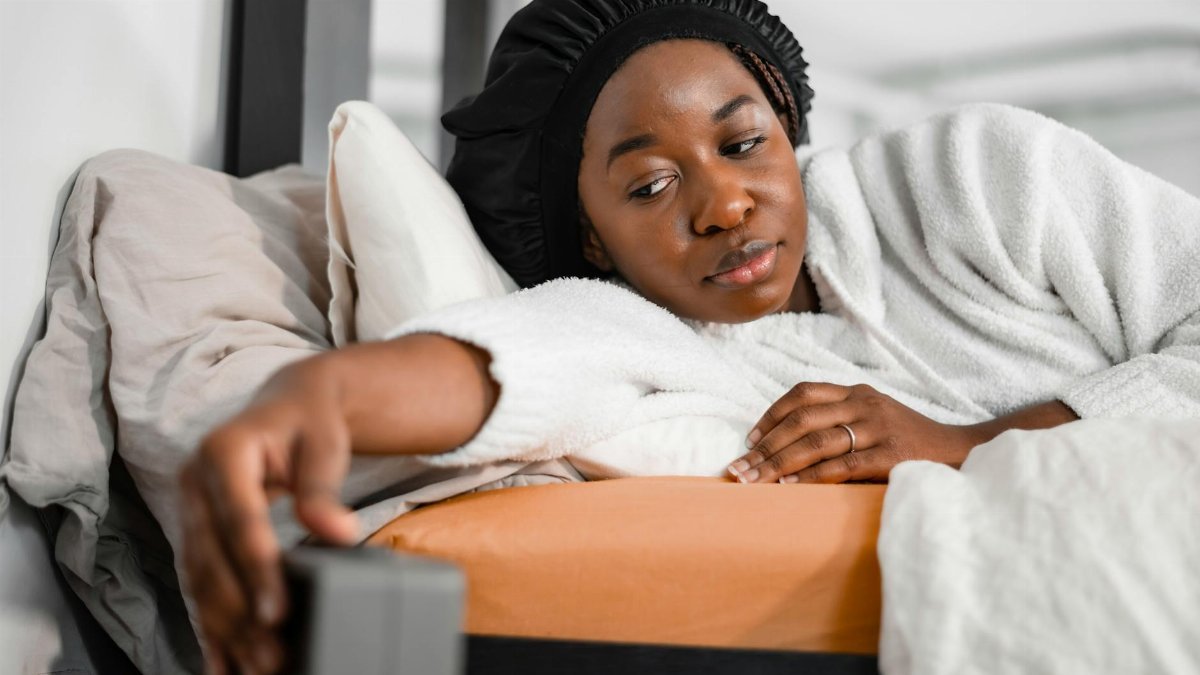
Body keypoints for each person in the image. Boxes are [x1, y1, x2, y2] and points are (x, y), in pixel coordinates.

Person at [179, 1, 1200, 673]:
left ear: (787, 120)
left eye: (744, 142)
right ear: (589, 234)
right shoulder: (651, 333)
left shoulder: (979, 175)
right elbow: (515, 359)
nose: (723, 205)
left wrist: (967, 443)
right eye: (649, 186)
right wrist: (316, 399)